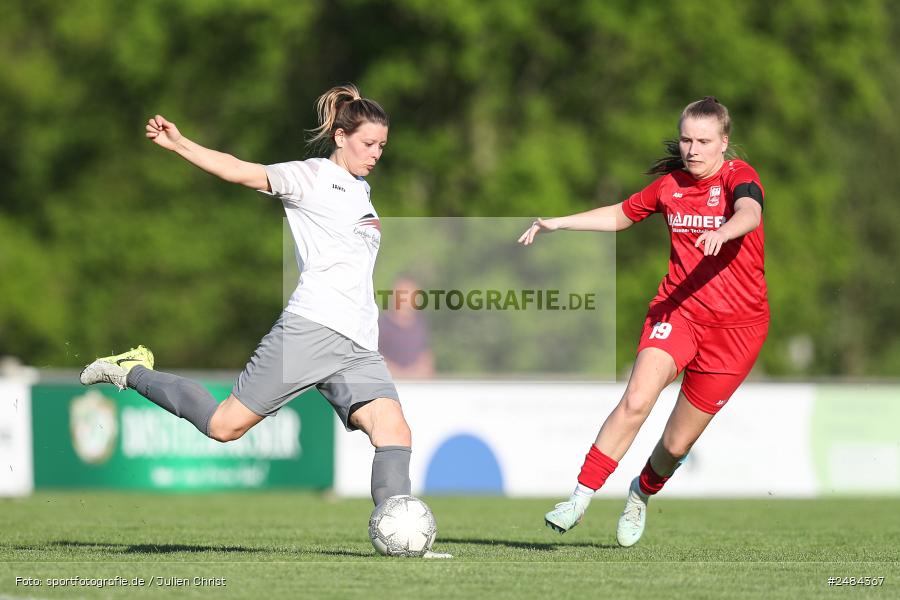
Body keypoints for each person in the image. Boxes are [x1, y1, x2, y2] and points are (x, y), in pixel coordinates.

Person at [80, 86, 446, 554]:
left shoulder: (362, 189)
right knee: (223, 426)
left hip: (357, 343)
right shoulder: (310, 176)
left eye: (381, 146)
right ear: (340, 136)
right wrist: (181, 144)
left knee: (394, 431)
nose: (376, 154)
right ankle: (133, 371)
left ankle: (402, 538)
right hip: (312, 329)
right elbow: (238, 170)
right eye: (368, 144)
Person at [518, 97, 767, 547]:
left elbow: (750, 213)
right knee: (637, 398)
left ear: (724, 144)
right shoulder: (669, 186)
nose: (692, 149)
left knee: (674, 447)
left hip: (738, 331)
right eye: (686, 139)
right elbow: (619, 215)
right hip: (679, 311)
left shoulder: (739, 178)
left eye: (704, 141)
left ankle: (641, 492)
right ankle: (580, 496)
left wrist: (724, 230)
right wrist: (557, 223)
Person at [378, 277, 436, 379]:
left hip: (417, 387)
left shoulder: (420, 325)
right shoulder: (380, 325)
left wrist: (416, 374)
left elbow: (427, 360)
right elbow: (374, 361)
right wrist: (402, 375)